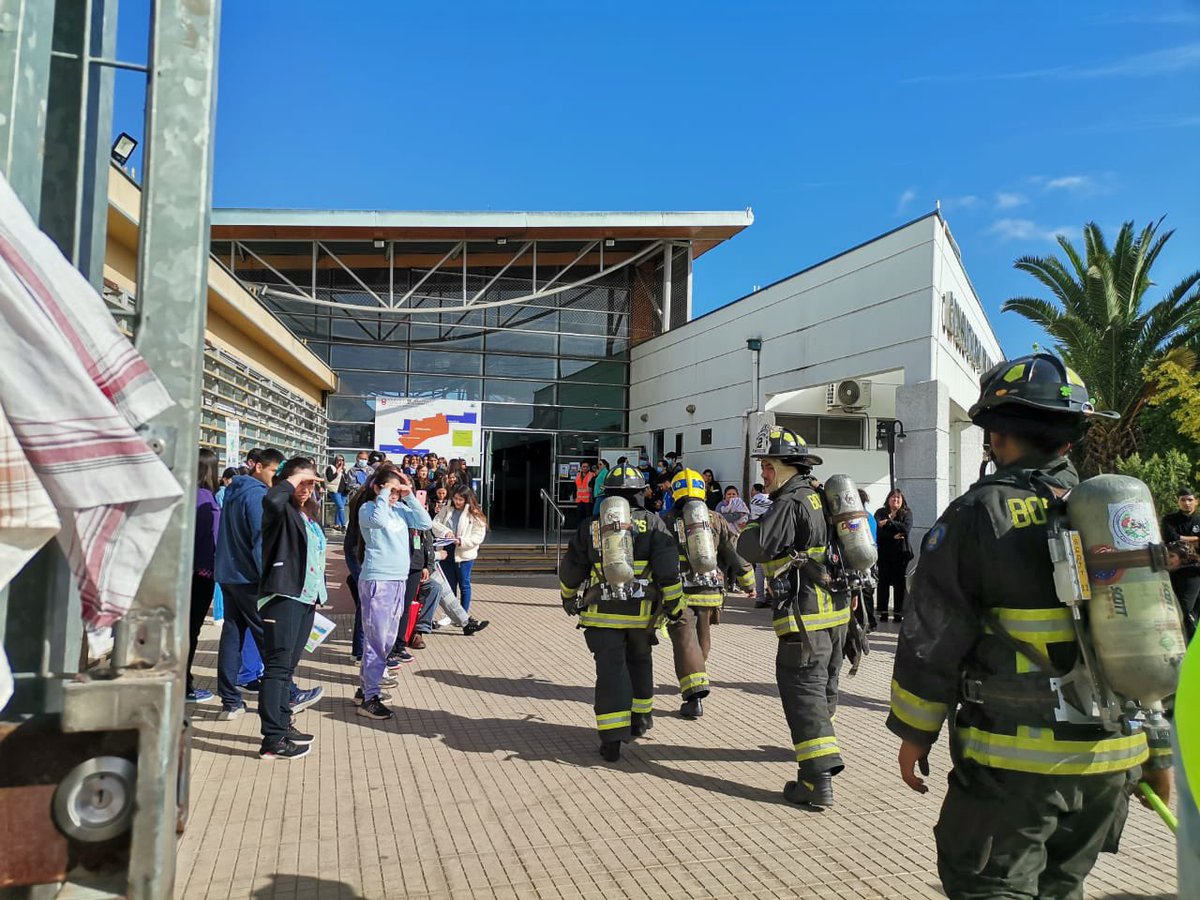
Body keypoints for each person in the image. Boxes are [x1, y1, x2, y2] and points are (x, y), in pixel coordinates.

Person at [887, 352, 1173, 899]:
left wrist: (914, 733)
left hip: (1012, 770)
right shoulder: (1114, 517)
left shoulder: (978, 516)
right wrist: (1157, 752)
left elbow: (931, 639)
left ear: (996, 437)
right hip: (1112, 767)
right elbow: (1152, 630)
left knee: (990, 886)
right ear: (1071, 439)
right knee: (1062, 889)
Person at [737, 425, 848, 807]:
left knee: (803, 690)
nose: (763, 474)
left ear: (787, 467)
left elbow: (754, 545)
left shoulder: (788, 503)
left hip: (806, 617)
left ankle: (817, 782)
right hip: (836, 616)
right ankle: (816, 750)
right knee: (824, 689)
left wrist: (753, 521)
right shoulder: (818, 497)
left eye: (768, 466)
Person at [559, 464, 683, 761]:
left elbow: (572, 567)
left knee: (610, 672)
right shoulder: (653, 523)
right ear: (641, 493)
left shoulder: (592, 524)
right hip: (642, 616)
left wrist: (567, 596)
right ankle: (640, 721)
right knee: (640, 663)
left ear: (607, 494)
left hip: (601, 615)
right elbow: (669, 569)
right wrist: (675, 605)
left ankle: (612, 739)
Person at [664, 468, 755, 719]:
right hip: (711, 591)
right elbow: (733, 551)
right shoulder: (716, 519)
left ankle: (694, 695)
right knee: (702, 639)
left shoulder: (668, 519)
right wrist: (749, 582)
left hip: (679, 592)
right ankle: (697, 677)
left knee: (685, 640)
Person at [256, 458, 327, 760]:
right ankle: (272, 739)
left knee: (287, 670)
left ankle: (283, 725)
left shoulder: (307, 514)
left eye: (312, 483)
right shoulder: (279, 509)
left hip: (306, 599)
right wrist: (293, 480)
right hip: (282, 597)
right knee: (277, 668)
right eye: (302, 482)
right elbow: (271, 498)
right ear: (288, 481)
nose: (307, 488)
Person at [357, 468, 432, 720]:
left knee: (388, 639)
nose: (393, 495)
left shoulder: (401, 510)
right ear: (377, 488)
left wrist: (408, 495)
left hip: (398, 579)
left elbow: (425, 523)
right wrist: (384, 494)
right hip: (378, 579)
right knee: (376, 639)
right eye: (390, 489)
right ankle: (370, 696)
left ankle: (367, 688)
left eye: (396, 491)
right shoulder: (368, 508)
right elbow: (377, 521)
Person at [187, 448, 221, 704]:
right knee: (190, 631)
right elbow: (212, 539)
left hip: (183, 572)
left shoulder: (187, 495)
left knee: (183, 631)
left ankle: (182, 682)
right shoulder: (207, 499)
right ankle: (184, 685)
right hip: (201, 573)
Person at [433, 487, 488, 614]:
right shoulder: (447, 508)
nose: (457, 502)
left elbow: (478, 536)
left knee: (464, 584)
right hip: (447, 550)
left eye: (460, 499)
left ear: (467, 500)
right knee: (449, 584)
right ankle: (452, 614)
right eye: (455, 498)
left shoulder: (474, 513)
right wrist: (446, 532)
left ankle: (463, 613)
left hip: (464, 554)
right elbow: (435, 523)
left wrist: (461, 541)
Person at [874, 489, 913, 624]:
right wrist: (893, 536)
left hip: (901, 554)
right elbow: (880, 532)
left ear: (902, 500)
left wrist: (889, 523)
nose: (895, 500)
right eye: (893, 497)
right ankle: (883, 612)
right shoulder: (880, 512)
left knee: (899, 584)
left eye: (898, 498)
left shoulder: (907, 513)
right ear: (888, 499)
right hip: (884, 553)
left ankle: (898, 613)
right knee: (883, 582)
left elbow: (906, 529)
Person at [1163, 486, 1200, 625]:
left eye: (1190, 500)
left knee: (1194, 612)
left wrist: (1182, 538)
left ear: (1196, 501)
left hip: (1197, 569)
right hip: (1181, 571)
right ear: (1177, 502)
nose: (1187, 503)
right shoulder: (1169, 520)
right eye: (1183, 500)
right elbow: (1171, 538)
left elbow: (1178, 539)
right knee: (1184, 609)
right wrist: (1196, 539)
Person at [858, 488, 878, 631]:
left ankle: (867, 621)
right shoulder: (869, 516)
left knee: (863, 591)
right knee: (867, 591)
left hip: (862, 557)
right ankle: (869, 621)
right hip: (871, 557)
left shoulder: (863, 517)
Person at [749, 482, 772, 607]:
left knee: (759, 568)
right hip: (771, 535)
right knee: (772, 567)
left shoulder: (754, 501)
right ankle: (770, 595)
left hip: (757, 535)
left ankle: (759, 598)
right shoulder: (773, 501)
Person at [325, 455, 349, 531]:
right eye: (339, 460)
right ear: (335, 460)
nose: (340, 461)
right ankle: (344, 525)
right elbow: (330, 478)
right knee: (341, 507)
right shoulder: (330, 468)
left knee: (340, 508)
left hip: (344, 491)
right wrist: (337, 471)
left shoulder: (343, 470)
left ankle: (337, 524)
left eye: (342, 460)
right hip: (335, 491)